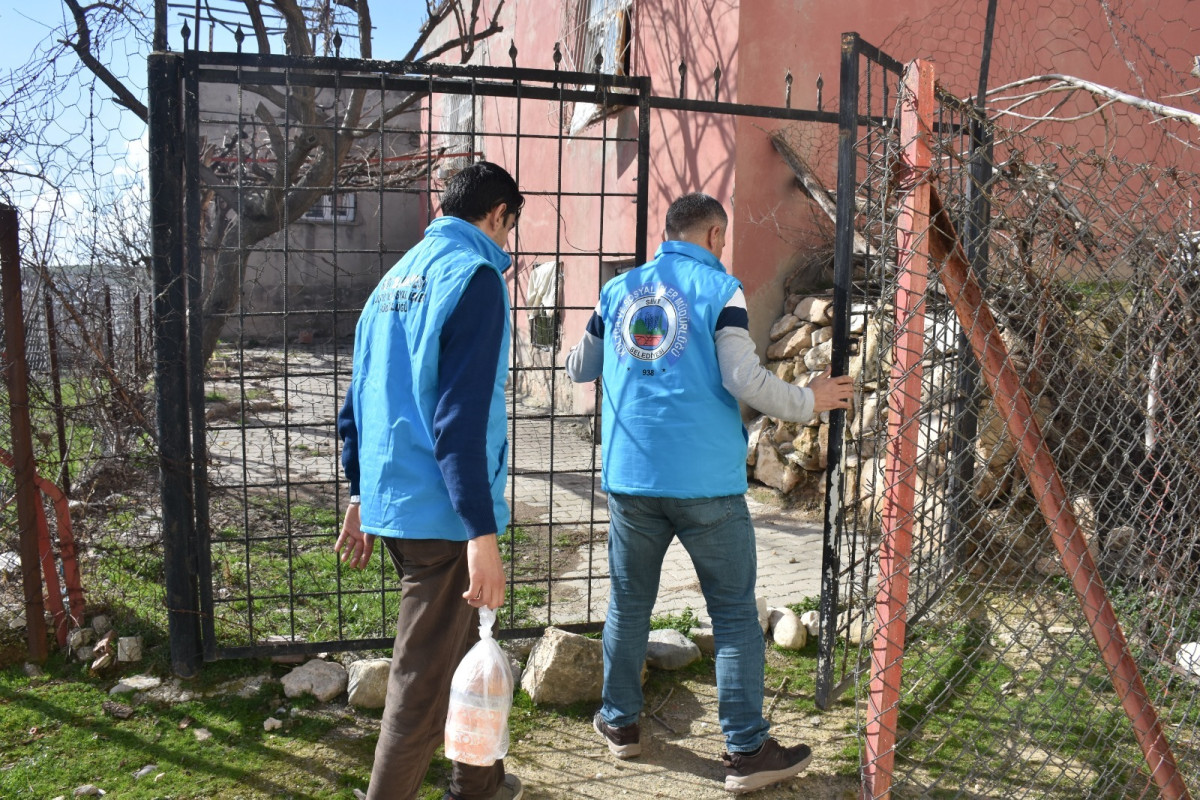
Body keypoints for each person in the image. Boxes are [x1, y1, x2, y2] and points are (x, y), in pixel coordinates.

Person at [565, 192, 854, 795]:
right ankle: (746, 751)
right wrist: (810, 400)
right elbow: (741, 378)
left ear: (668, 232)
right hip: (705, 484)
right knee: (732, 613)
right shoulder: (720, 290)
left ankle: (620, 725)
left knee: (628, 604)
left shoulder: (618, 290)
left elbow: (579, 368)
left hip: (631, 478)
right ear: (715, 234)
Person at [334, 161, 525, 800]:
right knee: (417, 685)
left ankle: (481, 783)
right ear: (498, 213)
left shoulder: (390, 282)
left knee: (463, 644)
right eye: (509, 230)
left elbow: (356, 398)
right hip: (443, 516)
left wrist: (358, 493)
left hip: (396, 504)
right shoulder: (473, 278)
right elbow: (459, 419)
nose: (508, 246)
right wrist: (481, 530)